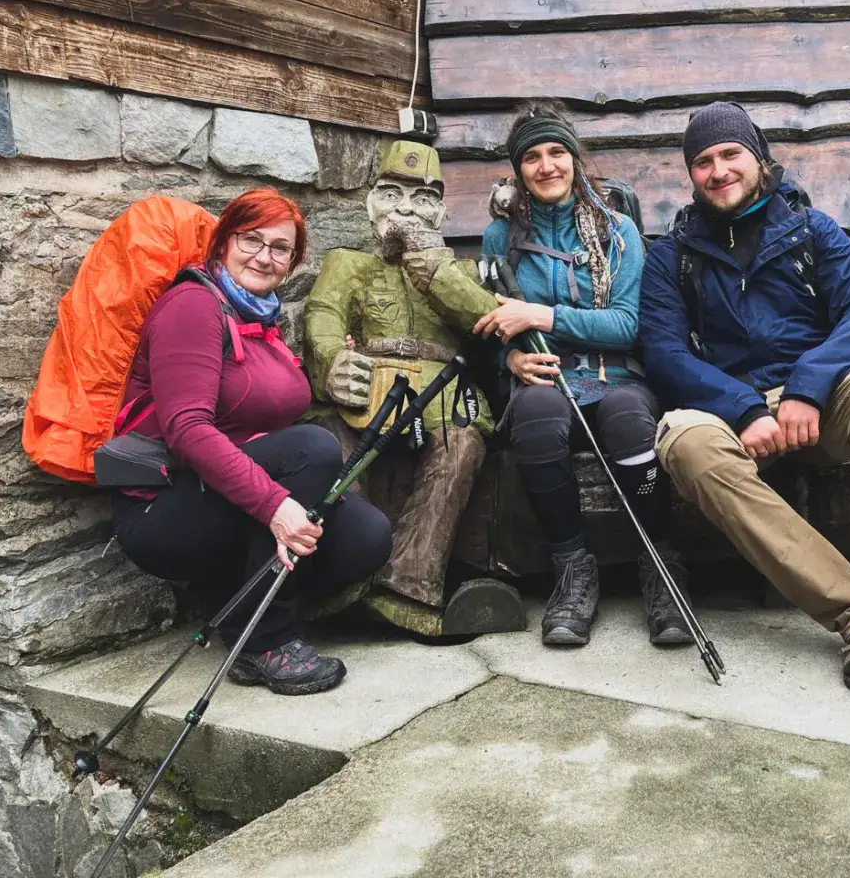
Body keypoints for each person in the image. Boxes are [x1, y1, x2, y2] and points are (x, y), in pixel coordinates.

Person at [638, 102, 850, 691]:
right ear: (690, 175)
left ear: (759, 159)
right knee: (685, 445)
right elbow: (665, 353)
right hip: (733, 414)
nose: (718, 171)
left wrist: (807, 388)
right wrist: (741, 407)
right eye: (702, 162)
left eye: (730, 154)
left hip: (820, 406)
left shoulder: (812, 231)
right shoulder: (672, 257)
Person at [110, 188, 393, 696]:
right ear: (222, 242)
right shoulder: (194, 307)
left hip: (224, 497)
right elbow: (187, 429)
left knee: (365, 537)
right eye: (251, 240)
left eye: (280, 248)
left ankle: (227, 598)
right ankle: (265, 642)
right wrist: (276, 506)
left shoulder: (261, 317)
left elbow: (264, 414)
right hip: (164, 507)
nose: (264, 256)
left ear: (292, 260)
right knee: (313, 447)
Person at [469, 99, 693, 647]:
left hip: (617, 375)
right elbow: (494, 323)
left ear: (573, 157)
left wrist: (542, 316)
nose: (546, 166)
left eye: (556, 152)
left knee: (628, 424)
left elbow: (627, 326)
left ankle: (660, 564)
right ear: (518, 170)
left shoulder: (619, 233)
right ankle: (572, 569)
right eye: (532, 158)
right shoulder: (502, 237)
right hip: (546, 378)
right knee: (538, 418)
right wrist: (511, 358)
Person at [303, 140, 523, 638]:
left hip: (443, 393)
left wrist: (436, 272)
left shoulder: (461, 271)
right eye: (391, 192)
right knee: (333, 445)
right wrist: (333, 362)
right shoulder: (347, 263)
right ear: (370, 202)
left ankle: (407, 587)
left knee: (461, 442)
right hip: (370, 388)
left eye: (423, 197)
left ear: (442, 211)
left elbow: (483, 319)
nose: (405, 207)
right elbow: (323, 317)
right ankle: (342, 579)